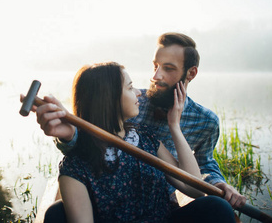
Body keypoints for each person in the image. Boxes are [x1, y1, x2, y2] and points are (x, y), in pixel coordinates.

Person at [34, 32, 246, 210]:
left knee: (218, 209)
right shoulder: (132, 102)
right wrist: (69, 137)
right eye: (155, 65)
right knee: (56, 213)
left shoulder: (206, 121)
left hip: (159, 196)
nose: (155, 76)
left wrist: (218, 183)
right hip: (109, 193)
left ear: (191, 73)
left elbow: (205, 163)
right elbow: (94, 132)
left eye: (168, 68)